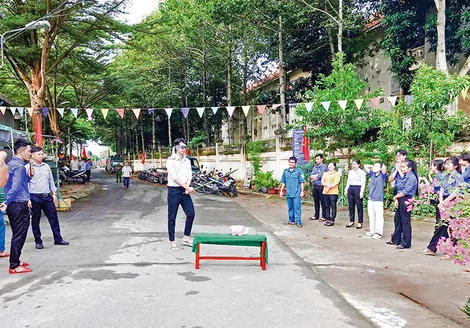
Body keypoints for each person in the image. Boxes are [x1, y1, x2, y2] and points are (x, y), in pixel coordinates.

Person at [25, 147, 69, 249]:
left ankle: (58, 238)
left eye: (42, 154)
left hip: (47, 196)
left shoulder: (46, 167)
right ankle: (38, 241)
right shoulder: (27, 167)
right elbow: (25, 184)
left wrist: (54, 193)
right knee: (36, 219)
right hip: (34, 196)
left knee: (53, 218)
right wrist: (27, 198)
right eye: (39, 154)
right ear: (32, 155)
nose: (41, 156)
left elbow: (50, 180)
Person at [1, 139, 34, 274]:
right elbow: (14, 188)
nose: (30, 154)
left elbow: (16, 184)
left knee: (18, 233)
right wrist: (7, 202)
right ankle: (14, 265)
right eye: (29, 151)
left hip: (15, 203)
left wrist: (29, 177)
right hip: (18, 204)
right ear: (20, 151)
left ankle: (16, 260)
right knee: (19, 234)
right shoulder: (19, 166)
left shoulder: (11, 164)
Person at [424, 157, 463, 255]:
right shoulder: (444, 175)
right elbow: (441, 188)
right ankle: (432, 247)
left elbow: (456, 191)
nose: (446, 166)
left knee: (453, 226)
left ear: (455, 166)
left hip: (453, 201)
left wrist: (445, 202)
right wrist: (441, 202)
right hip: (443, 200)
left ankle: (453, 251)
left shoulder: (458, 176)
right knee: (440, 224)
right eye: (446, 164)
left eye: (449, 164)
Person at [166, 138, 195, 251]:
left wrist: (187, 187)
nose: (184, 149)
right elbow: (174, 177)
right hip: (174, 191)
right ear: (176, 147)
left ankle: (186, 238)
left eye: (185, 147)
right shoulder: (170, 161)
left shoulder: (187, 161)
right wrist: (187, 187)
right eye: (182, 147)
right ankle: (172, 241)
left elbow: (189, 175)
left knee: (191, 213)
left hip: (185, 191)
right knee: (172, 217)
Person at [391, 160, 418, 250]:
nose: (401, 168)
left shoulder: (411, 177)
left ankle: (406, 242)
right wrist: (397, 198)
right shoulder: (405, 176)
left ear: (409, 168)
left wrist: (396, 197)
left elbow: (406, 191)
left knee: (405, 221)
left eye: (403, 167)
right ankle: (397, 239)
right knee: (398, 219)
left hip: (407, 199)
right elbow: (399, 187)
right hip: (401, 198)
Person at [386, 150, 408, 246]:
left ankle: (403, 239)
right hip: (397, 191)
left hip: (404, 192)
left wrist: (400, 168)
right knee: (397, 218)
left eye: (399, 156)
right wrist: (396, 169)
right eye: (396, 156)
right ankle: (396, 238)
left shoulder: (407, 166)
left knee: (403, 218)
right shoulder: (396, 166)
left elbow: (404, 177)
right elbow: (390, 179)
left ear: (404, 156)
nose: (397, 157)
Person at [280, 156, 305, 228]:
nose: (291, 164)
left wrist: (302, 191)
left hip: (296, 193)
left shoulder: (299, 171)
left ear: (295, 163)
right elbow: (283, 182)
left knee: (297, 208)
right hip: (288, 193)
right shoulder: (285, 171)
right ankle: (291, 220)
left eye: (292, 162)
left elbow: (302, 182)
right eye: (290, 162)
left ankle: (298, 222)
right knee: (290, 207)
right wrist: (281, 191)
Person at [364, 162, 387, 239]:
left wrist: (381, 167)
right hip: (371, 198)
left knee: (379, 216)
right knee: (371, 215)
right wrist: (373, 166)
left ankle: (379, 232)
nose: (375, 167)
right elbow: (365, 166)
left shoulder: (382, 176)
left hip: (378, 199)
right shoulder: (372, 174)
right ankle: (372, 230)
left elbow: (384, 169)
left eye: (377, 166)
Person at [344, 159, 366, 229]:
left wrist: (361, 192)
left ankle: (360, 222)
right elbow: (348, 181)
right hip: (351, 188)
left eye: (355, 164)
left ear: (359, 165)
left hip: (358, 188)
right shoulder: (350, 172)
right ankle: (351, 221)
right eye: (352, 164)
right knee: (351, 206)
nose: (353, 165)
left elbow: (363, 183)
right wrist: (346, 189)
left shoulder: (362, 172)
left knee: (359, 206)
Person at [309, 154, 328, 221]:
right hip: (315, 185)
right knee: (316, 201)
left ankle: (324, 216)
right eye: (316, 159)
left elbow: (321, 175)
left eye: (318, 159)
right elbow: (311, 175)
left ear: (321, 159)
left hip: (321, 186)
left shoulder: (324, 166)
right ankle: (316, 215)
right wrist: (316, 177)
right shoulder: (315, 167)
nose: (317, 160)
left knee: (323, 202)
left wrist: (316, 177)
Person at [321, 162, 341, 226]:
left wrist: (328, 188)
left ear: (334, 166)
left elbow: (336, 182)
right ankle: (327, 218)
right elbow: (322, 181)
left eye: (331, 165)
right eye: (329, 165)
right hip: (325, 192)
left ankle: (332, 219)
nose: (330, 166)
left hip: (333, 192)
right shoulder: (325, 173)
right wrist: (327, 187)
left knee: (333, 206)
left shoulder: (336, 174)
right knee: (326, 206)